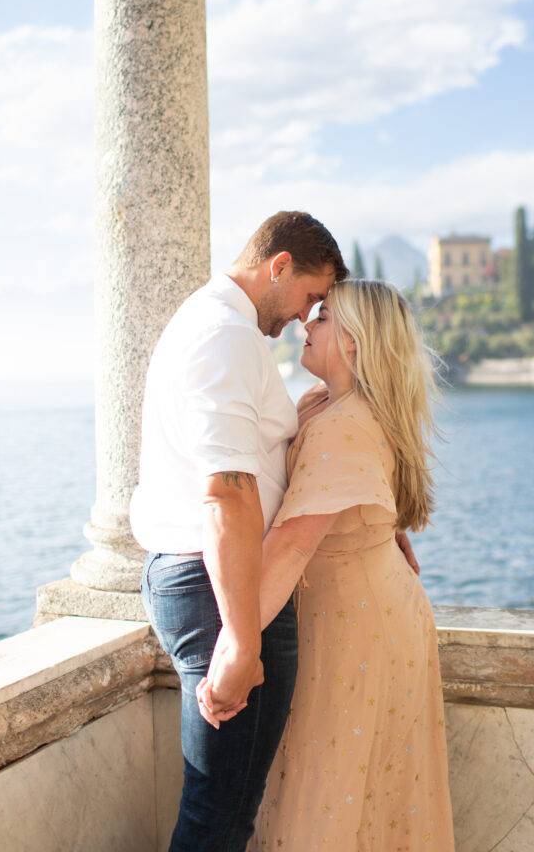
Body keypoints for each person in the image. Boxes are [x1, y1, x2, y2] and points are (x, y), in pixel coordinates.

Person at [200, 279, 456, 850]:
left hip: (355, 627)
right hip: (366, 612)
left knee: (331, 793)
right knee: (360, 794)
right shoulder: (330, 404)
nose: (305, 326)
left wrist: (229, 652)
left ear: (356, 343)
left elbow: (292, 543)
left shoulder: (343, 422)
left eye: (322, 318)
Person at [132, 211, 348, 852]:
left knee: (223, 812)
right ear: (278, 265)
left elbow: (244, 463)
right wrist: (241, 639)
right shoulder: (225, 334)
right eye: (310, 297)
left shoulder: (221, 328)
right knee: (219, 816)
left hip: (212, 582)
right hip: (218, 586)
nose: (304, 318)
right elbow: (227, 491)